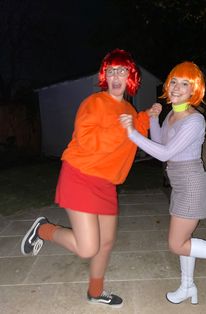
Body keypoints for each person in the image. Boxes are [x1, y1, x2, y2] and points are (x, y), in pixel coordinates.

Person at [20, 48, 159, 308]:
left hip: (106, 183)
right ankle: (43, 229)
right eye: (111, 71)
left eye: (122, 71)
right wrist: (124, 127)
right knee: (87, 248)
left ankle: (95, 292)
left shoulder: (128, 109)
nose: (116, 76)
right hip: (81, 175)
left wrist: (146, 116)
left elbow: (133, 131)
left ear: (130, 76)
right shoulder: (94, 103)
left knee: (106, 242)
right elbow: (88, 140)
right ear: (105, 75)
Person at [120, 61, 206, 305]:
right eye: (174, 81)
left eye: (185, 84)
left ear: (194, 91)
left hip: (193, 185)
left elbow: (164, 154)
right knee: (185, 242)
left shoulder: (195, 121)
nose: (176, 87)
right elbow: (161, 145)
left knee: (177, 244)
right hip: (180, 185)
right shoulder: (172, 114)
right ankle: (187, 286)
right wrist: (153, 118)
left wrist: (133, 134)